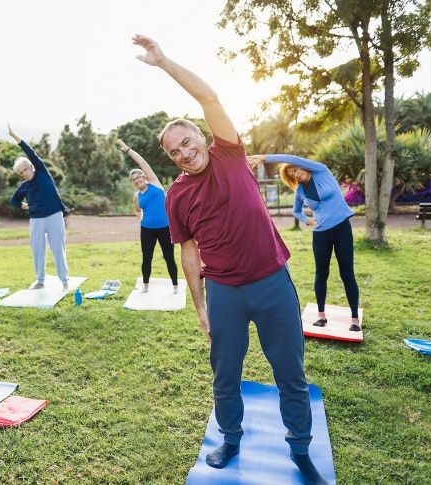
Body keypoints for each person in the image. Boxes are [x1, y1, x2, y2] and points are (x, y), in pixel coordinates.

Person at [132, 34, 326, 484]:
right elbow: (188, 251)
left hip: (272, 283)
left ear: (202, 135)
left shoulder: (231, 154)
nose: (184, 151)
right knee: (225, 376)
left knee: (290, 375)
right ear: (171, 158)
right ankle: (231, 437)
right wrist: (200, 305)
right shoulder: (177, 195)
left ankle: (300, 449)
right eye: (174, 150)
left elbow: (208, 95)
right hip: (224, 293)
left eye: (187, 141)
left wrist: (163, 62)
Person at [253, 154, 360, 331]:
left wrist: (264, 158)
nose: (295, 174)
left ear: (302, 166)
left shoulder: (321, 171)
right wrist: (306, 219)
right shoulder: (301, 190)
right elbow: (296, 211)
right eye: (291, 174)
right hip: (320, 234)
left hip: (342, 228)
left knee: (347, 273)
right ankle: (321, 316)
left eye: (295, 170)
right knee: (321, 273)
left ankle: (354, 318)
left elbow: (289, 157)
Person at [8, 124, 70, 290]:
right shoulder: (24, 186)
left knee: (58, 248)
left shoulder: (42, 172)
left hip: (54, 215)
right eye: (21, 173)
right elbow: (14, 201)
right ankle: (40, 281)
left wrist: (15, 137)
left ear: (31, 167)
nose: (25, 173)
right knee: (37, 250)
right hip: (36, 220)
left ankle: (64, 281)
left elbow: (30, 152)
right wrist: (26, 206)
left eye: (26, 169)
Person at [118, 138, 178, 294]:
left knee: (169, 257)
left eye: (139, 176)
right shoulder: (137, 196)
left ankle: (176, 287)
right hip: (147, 230)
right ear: (133, 183)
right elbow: (137, 210)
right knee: (147, 257)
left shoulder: (155, 184)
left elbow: (143, 163)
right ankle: (145, 286)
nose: (137, 179)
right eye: (134, 179)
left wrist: (127, 149)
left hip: (165, 228)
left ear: (144, 176)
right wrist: (141, 219)